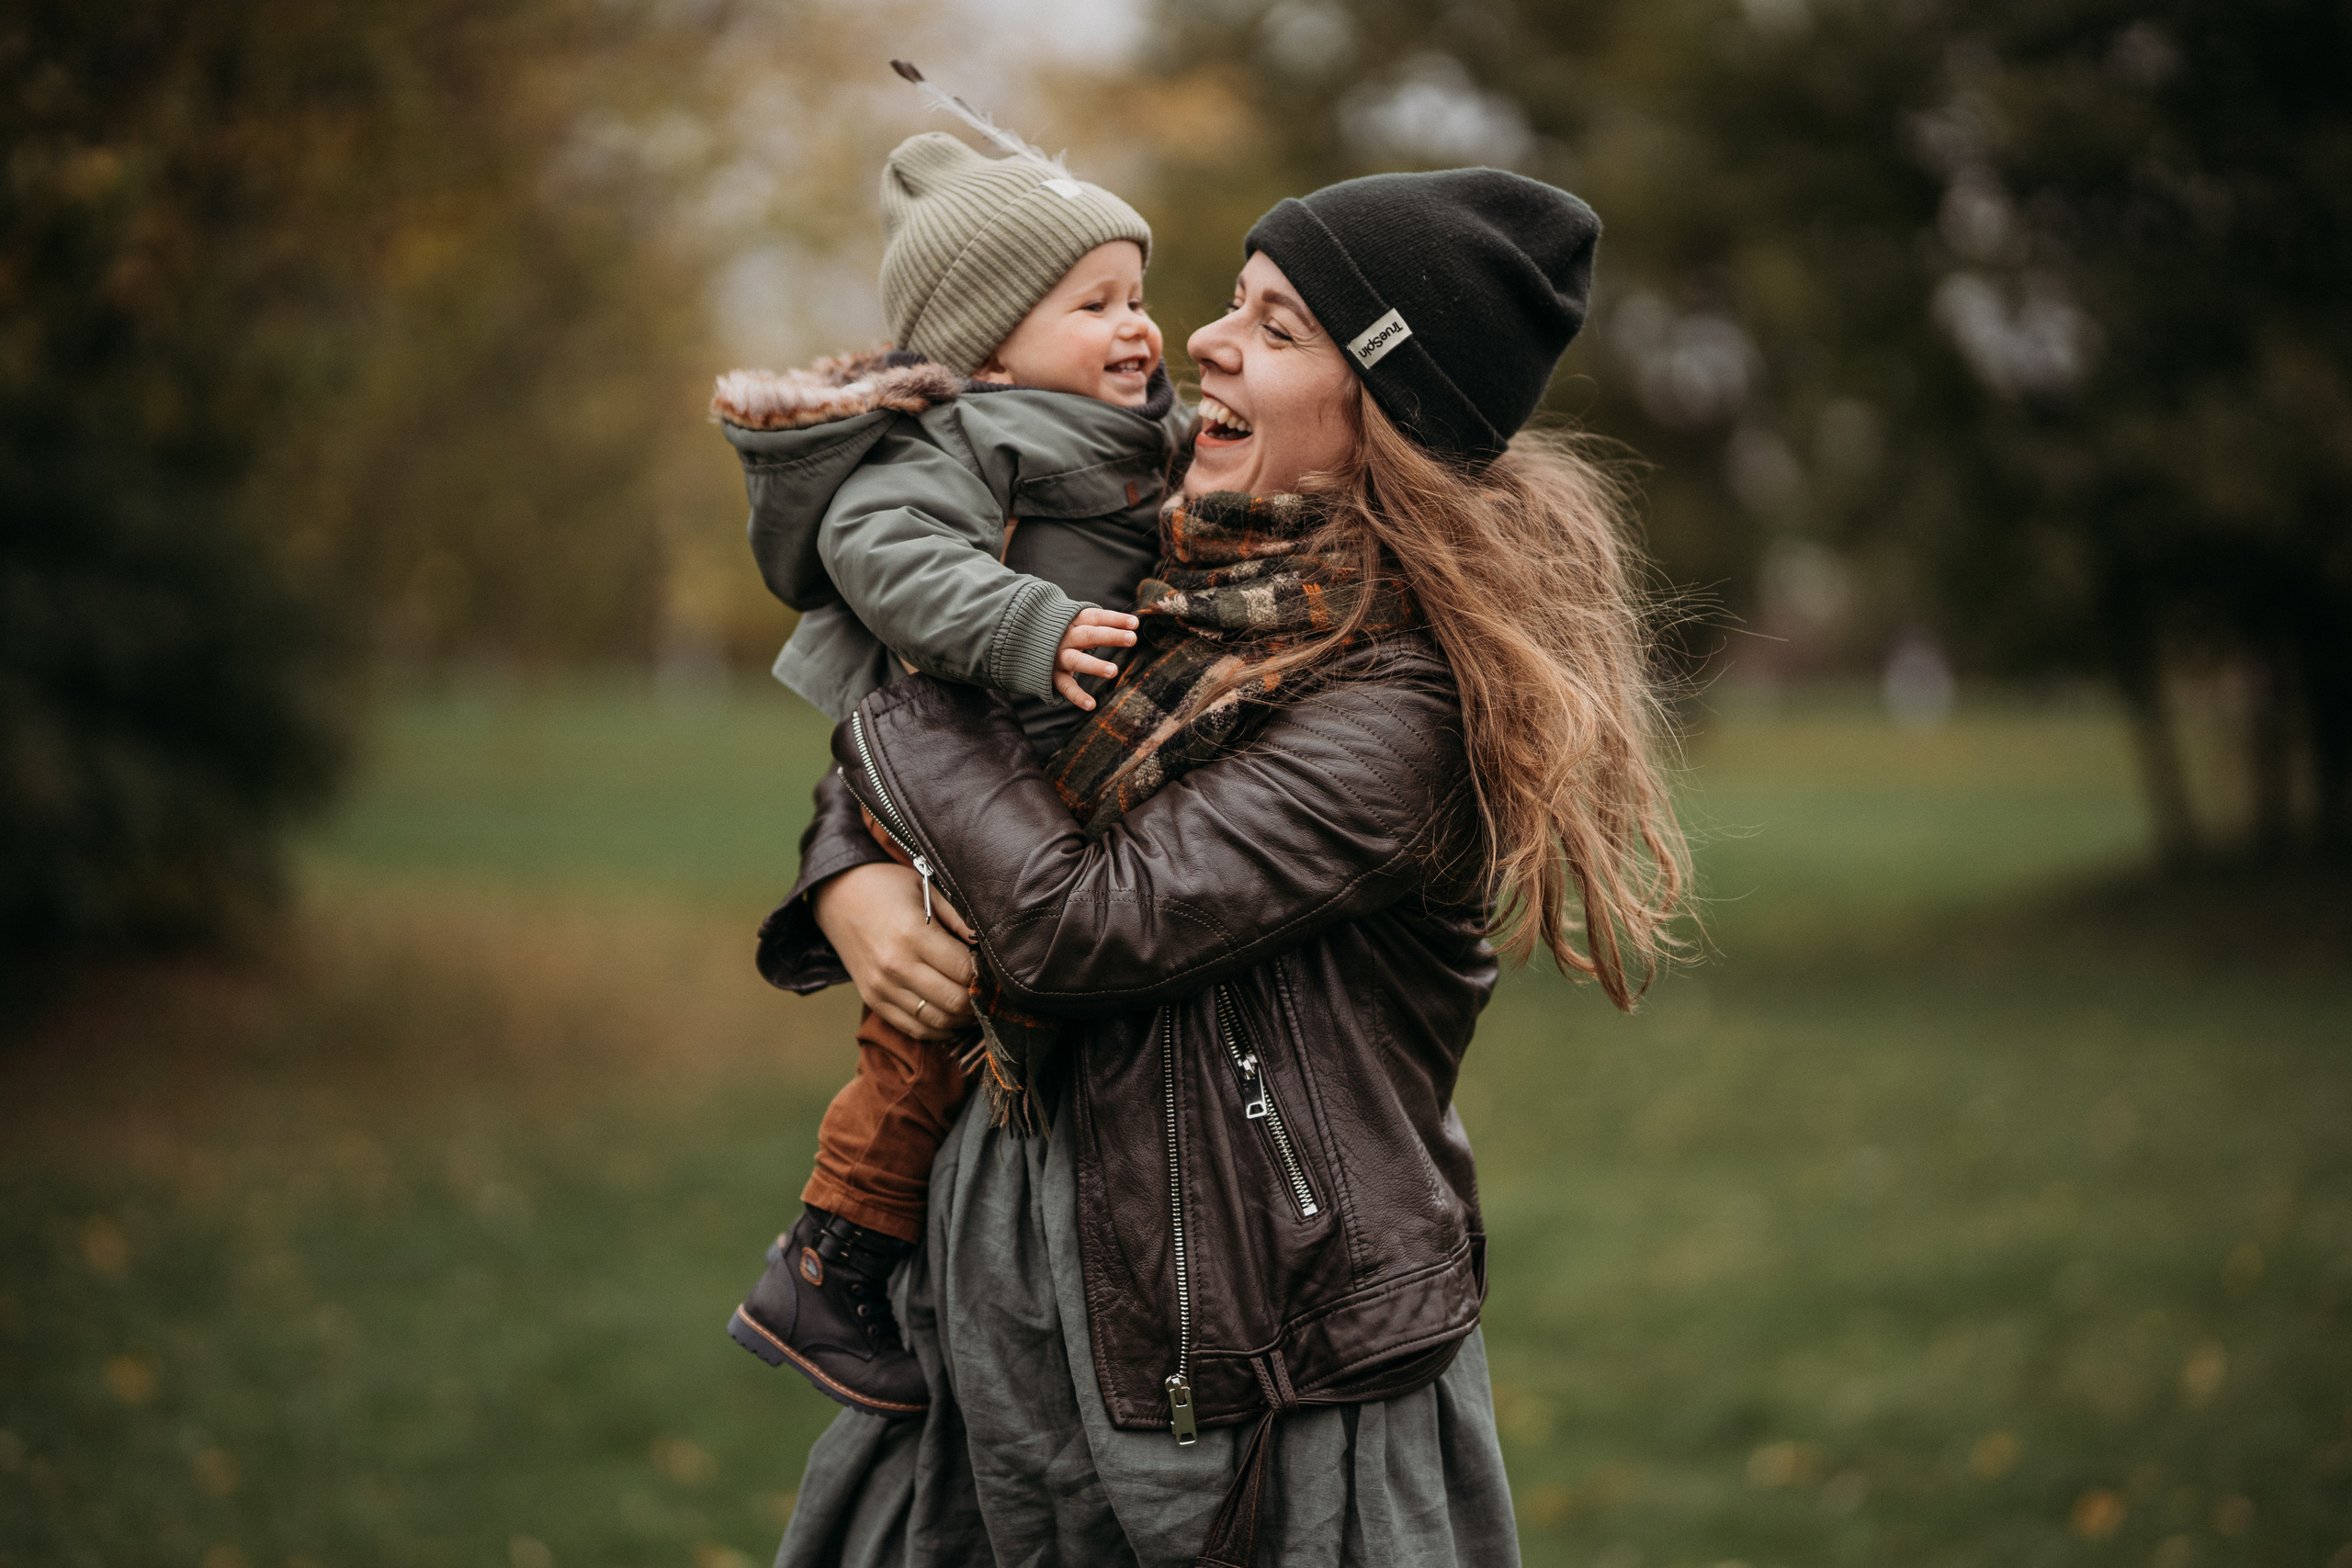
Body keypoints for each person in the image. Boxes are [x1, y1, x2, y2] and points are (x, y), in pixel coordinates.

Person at [759, 168, 1690, 1565]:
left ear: (1386, 416)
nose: (1201, 342)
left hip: (1249, 1371)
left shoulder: (1398, 706)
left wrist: (892, 680)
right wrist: (852, 876)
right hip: (990, 1319)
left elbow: (1083, 925)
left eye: (1280, 325)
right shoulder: (1156, 572)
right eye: (1232, 301)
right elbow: (982, 785)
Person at [710, 102, 1186, 1416]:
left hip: (1038, 790)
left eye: (1137, 294)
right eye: (1094, 304)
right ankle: (827, 1260)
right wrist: (1027, 623)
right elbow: (885, 557)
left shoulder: (1139, 433)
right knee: (918, 1034)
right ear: (987, 343)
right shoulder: (964, 442)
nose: (1136, 328)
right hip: (962, 781)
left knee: (963, 1018)